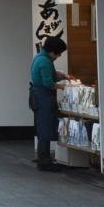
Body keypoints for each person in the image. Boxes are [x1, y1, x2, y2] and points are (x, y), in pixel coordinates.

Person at [30, 36, 72, 172]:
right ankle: (45, 161)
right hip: (43, 98)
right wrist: (64, 87)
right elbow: (48, 82)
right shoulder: (45, 61)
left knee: (42, 127)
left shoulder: (40, 58)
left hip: (37, 97)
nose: (58, 56)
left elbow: (52, 75)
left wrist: (64, 76)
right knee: (45, 128)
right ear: (52, 51)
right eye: (58, 53)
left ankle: (44, 158)